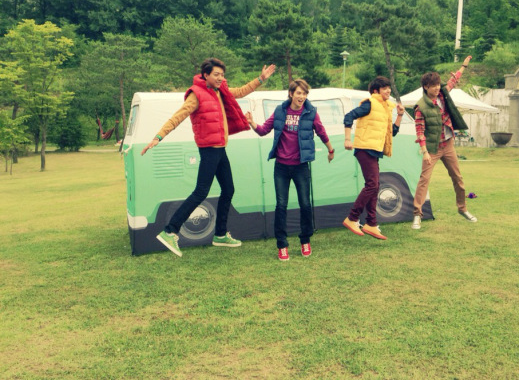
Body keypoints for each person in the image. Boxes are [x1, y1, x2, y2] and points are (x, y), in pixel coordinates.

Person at [141, 58, 276, 257]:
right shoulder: (196, 94)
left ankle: (220, 234)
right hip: (209, 150)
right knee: (201, 192)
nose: (220, 78)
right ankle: (169, 231)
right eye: (216, 74)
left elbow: (241, 91)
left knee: (228, 189)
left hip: (220, 149)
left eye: (222, 75)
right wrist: (158, 136)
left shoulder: (220, 91)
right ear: (206, 75)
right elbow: (178, 116)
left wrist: (260, 79)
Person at [246, 79, 334, 261]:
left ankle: (305, 240)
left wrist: (330, 149)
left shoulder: (311, 112)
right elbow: (263, 130)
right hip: (281, 167)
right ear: (291, 94)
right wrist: (252, 123)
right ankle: (282, 245)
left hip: (301, 166)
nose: (302, 96)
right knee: (281, 205)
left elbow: (321, 132)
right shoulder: (280, 111)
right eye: (299, 93)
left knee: (305, 204)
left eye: (304, 93)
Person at [412, 55, 477, 230]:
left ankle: (462, 209)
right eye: (432, 86)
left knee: (458, 178)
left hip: (447, 145)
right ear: (425, 87)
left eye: (437, 85)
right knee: (424, 180)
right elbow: (419, 131)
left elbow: (453, 80)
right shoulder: (420, 107)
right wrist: (425, 152)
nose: (436, 88)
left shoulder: (443, 94)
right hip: (432, 148)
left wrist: (463, 66)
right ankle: (417, 215)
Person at [342, 76, 405, 240]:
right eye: (385, 88)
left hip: (374, 151)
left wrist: (399, 115)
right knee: (372, 185)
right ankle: (352, 218)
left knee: (374, 186)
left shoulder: (385, 109)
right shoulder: (370, 104)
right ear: (376, 91)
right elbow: (348, 117)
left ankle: (371, 223)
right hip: (364, 149)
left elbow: (392, 132)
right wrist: (347, 139)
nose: (388, 90)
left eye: (389, 87)